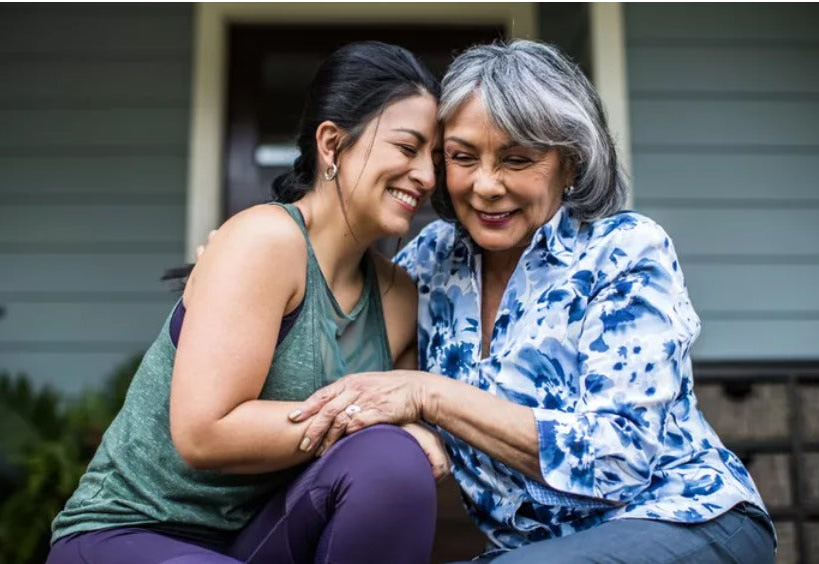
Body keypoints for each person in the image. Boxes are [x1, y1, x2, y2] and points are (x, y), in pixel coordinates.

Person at [289, 40, 778, 562]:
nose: (486, 185)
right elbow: (356, 376)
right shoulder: (428, 263)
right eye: (462, 157)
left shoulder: (624, 251)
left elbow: (617, 460)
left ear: (571, 164)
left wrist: (429, 396)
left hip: (686, 519)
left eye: (517, 159)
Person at [47, 41, 449, 564]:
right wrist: (365, 417)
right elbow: (204, 433)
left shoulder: (398, 298)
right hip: (131, 532)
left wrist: (402, 429)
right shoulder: (266, 241)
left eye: (435, 158)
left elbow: (398, 444)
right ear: (332, 144)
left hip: (259, 539)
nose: (428, 177)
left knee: (392, 460)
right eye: (407, 148)